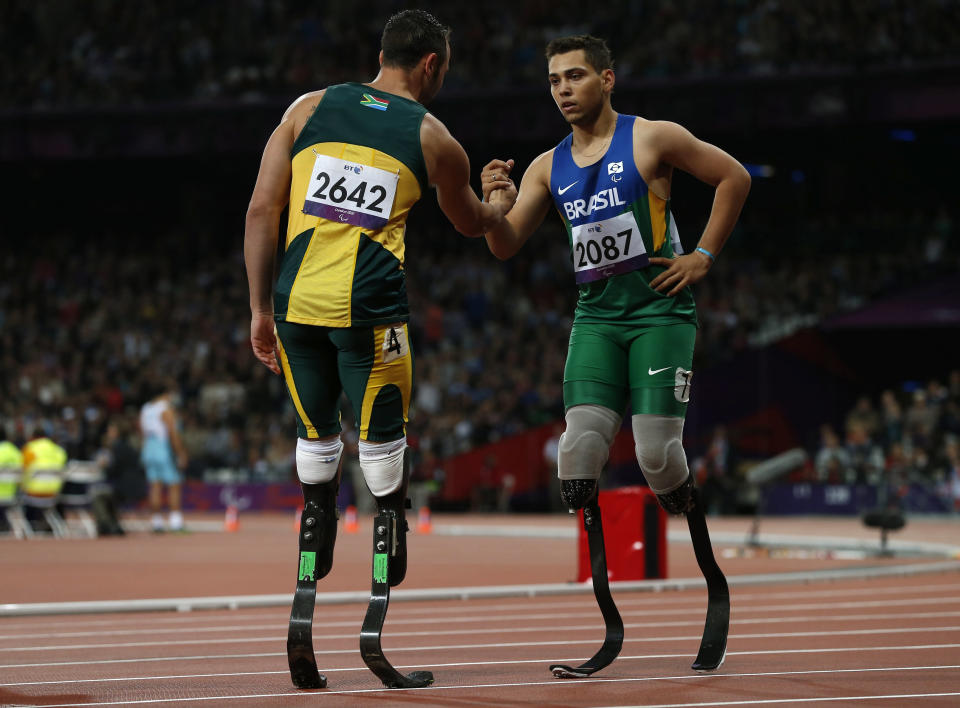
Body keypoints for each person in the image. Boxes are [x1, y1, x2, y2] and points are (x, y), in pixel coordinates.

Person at [243, 9, 514, 689]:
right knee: (385, 452)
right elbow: (469, 224)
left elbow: (259, 211)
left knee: (317, 440)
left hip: (295, 309)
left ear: (382, 53)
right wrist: (497, 199)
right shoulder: (432, 137)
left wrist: (257, 310)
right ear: (431, 65)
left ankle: (314, 539)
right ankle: (376, 608)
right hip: (370, 317)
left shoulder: (307, 109)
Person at [481, 35, 749, 675]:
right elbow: (504, 244)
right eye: (553, 80)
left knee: (658, 456)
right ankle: (608, 615)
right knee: (576, 457)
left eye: (575, 76)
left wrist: (702, 257)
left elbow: (733, 178)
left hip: (659, 313)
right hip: (597, 319)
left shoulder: (653, 138)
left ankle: (705, 559)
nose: (563, 90)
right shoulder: (547, 167)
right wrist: (494, 207)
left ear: (607, 78)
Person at [139, 382, 188, 532]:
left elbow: (142, 431)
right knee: (174, 484)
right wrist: (180, 453)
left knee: (155, 485)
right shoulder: (165, 410)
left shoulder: (146, 409)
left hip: (148, 448)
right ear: (166, 394)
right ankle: (176, 522)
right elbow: (173, 433)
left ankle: (156, 523)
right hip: (162, 448)